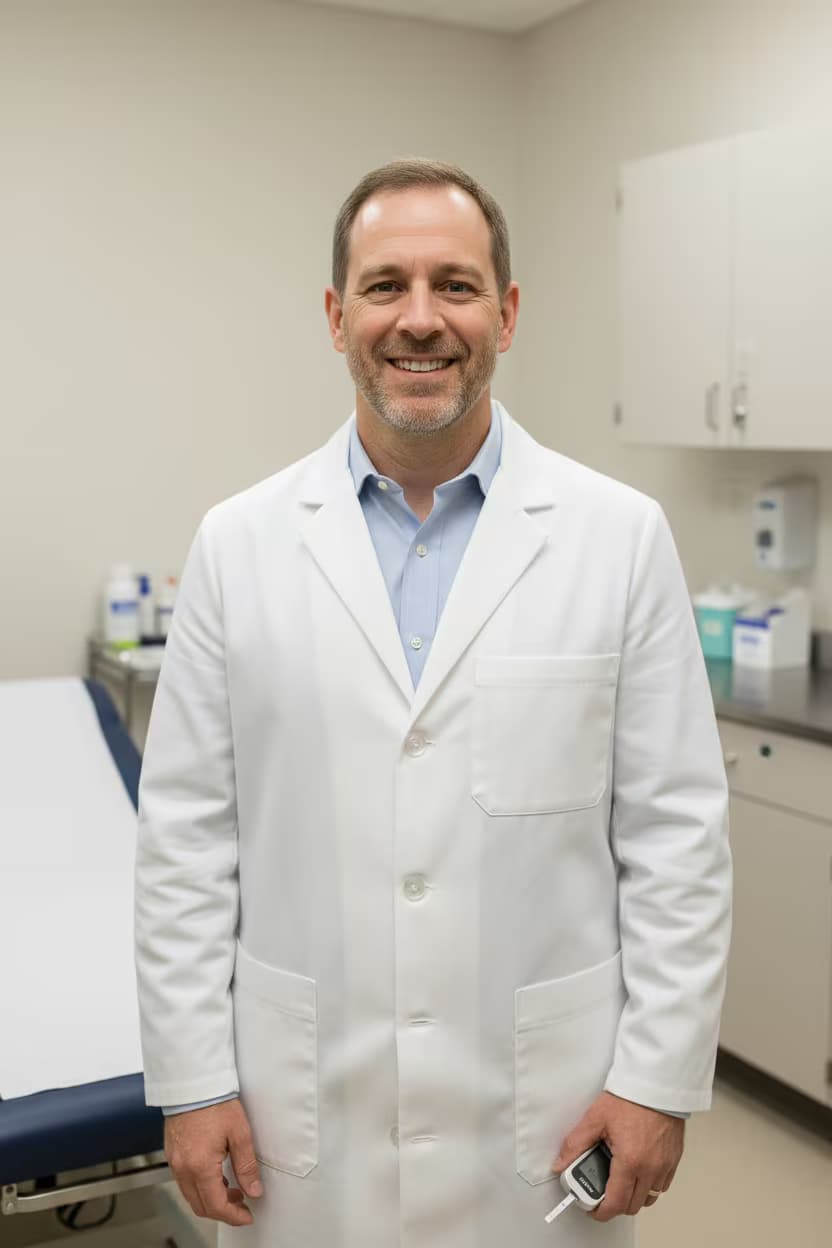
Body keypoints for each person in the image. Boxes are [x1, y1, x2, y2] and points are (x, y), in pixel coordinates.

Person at [135, 158, 732, 1248]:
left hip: (543, 1116)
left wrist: (657, 1081)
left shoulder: (618, 536)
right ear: (334, 315)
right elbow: (184, 841)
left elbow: (676, 841)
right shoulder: (239, 543)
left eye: (455, 286)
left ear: (505, 313)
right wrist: (192, 1079)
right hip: (299, 1112)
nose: (420, 320)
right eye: (384, 285)